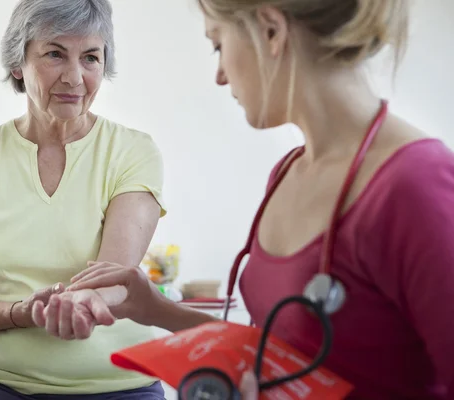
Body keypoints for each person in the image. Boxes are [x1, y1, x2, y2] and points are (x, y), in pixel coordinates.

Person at [36, 0, 454, 399]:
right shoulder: (289, 171)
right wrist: (157, 311)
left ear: (271, 31)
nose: (219, 75)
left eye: (218, 44)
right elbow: (284, 351)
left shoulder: (414, 184)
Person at [0, 0, 167, 399]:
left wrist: (78, 305)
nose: (75, 77)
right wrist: (19, 313)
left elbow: (112, 277)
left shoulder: (133, 151)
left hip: (119, 384)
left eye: (91, 57)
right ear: (18, 63)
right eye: (55, 54)